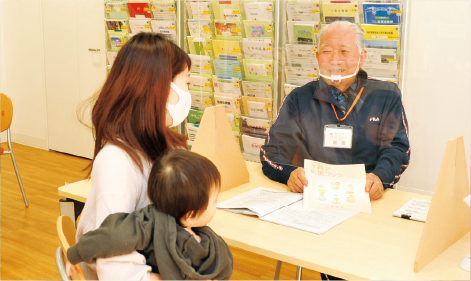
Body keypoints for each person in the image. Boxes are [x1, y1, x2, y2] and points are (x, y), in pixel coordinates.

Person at [76, 32, 192, 280]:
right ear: (161, 89)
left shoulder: (161, 145)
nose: (188, 94)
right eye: (187, 83)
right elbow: (117, 272)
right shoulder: (118, 163)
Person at [260, 21, 410, 201]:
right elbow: (273, 151)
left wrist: (379, 178)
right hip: (312, 196)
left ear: (362, 57)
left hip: (366, 197)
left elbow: (397, 149)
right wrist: (289, 174)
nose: (335, 60)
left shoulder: (386, 94)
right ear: (317, 56)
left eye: (344, 51)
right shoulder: (299, 98)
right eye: (326, 51)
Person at [66, 149, 234, 280]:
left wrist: (75, 254)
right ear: (190, 215)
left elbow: (106, 237)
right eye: (214, 200)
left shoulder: (144, 221)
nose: (216, 204)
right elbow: (109, 238)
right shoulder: (151, 227)